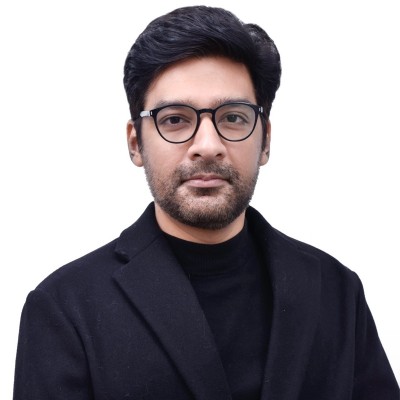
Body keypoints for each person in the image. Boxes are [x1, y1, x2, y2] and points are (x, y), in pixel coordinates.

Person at [13, 5, 399, 400]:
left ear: (265, 140)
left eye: (233, 117)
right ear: (135, 143)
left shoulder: (337, 291)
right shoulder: (65, 308)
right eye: (175, 119)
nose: (208, 145)